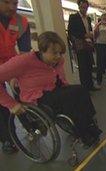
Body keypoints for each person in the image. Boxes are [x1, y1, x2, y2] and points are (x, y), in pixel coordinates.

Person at [0, 31, 102, 147]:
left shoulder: (58, 61)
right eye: (54, 53)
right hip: (36, 99)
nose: (58, 56)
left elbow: (62, 79)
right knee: (72, 96)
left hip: (54, 92)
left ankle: (89, 126)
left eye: (60, 53)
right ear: (42, 50)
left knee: (81, 90)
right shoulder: (23, 61)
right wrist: (11, 104)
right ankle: (84, 132)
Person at [0, 0, 31, 154]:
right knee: (3, 105)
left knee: (22, 91)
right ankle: (7, 139)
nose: (12, 7)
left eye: (15, 2)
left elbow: (25, 53)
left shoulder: (21, 22)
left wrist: (16, 74)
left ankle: (31, 126)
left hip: (11, 61)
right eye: (6, 2)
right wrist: (10, 103)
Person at [68, 0, 100, 91]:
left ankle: (90, 85)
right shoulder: (73, 17)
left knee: (89, 66)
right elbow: (71, 32)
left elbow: (89, 30)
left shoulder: (88, 18)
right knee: (83, 68)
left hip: (88, 44)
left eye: (86, 8)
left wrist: (90, 36)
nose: (84, 9)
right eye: (82, 7)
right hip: (80, 45)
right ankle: (84, 88)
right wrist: (84, 35)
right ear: (78, 7)